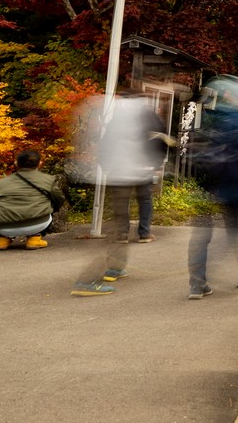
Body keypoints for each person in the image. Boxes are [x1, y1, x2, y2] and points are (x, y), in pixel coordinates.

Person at [69, 92, 172, 297]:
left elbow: (103, 144)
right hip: (140, 170)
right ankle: (87, 279)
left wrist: (106, 167)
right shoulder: (148, 114)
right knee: (132, 212)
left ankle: (115, 267)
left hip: (117, 173)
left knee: (119, 218)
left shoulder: (116, 116)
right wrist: (155, 166)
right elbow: (162, 142)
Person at [184, 89, 238, 299]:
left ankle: (197, 284)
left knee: (202, 234)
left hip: (205, 183)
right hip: (231, 182)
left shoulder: (206, 116)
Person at [0, 148, 63, 250]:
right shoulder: (48, 180)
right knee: (49, 208)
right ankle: (34, 238)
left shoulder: (1, 182)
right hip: (37, 224)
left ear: (16, 163)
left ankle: (2, 240)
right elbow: (59, 199)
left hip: (2, 227)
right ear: (40, 163)